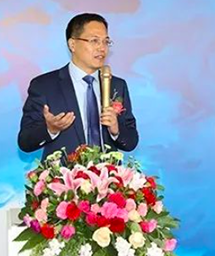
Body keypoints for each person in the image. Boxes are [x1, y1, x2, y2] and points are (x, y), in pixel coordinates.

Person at [18, 13, 139, 159]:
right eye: (94, 41)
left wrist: (116, 130)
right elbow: (25, 142)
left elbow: (131, 141)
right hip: (63, 173)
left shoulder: (117, 85)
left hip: (109, 173)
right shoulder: (44, 86)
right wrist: (50, 129)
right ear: (72, 44)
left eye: (106, 42)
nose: (102, 48)